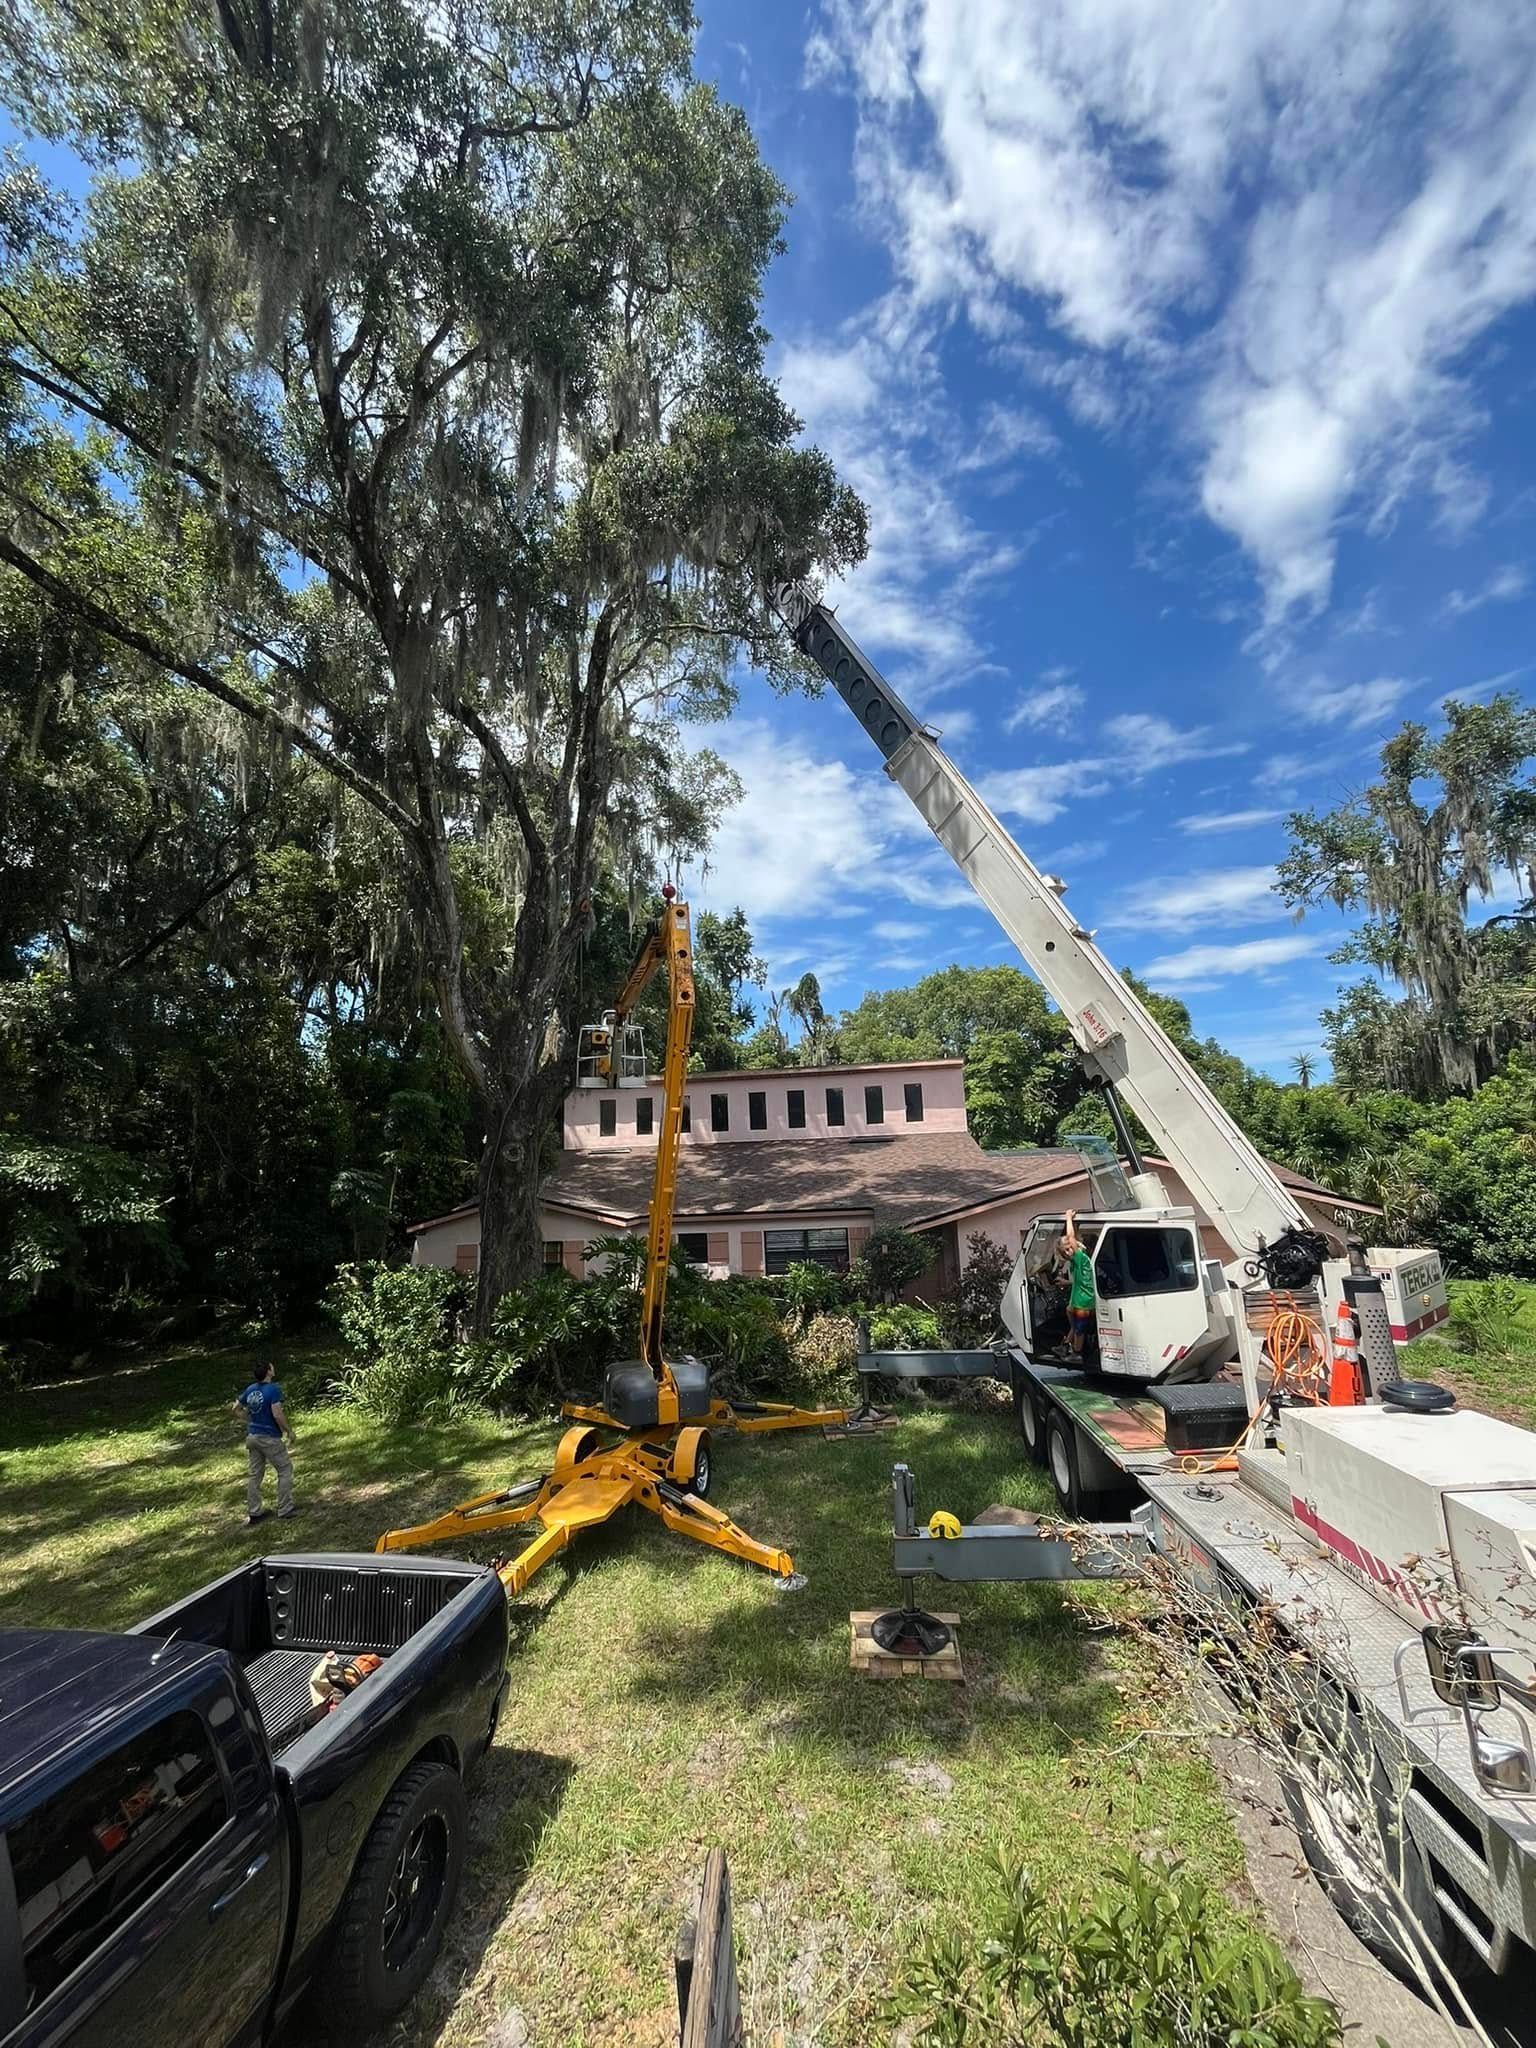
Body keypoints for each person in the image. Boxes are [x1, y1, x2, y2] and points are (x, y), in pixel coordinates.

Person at [233, 1360, 297, 1525]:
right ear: (269, 1372)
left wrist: (250, 1420)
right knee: (284, 1470)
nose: (273, 1368)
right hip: (269, 1437)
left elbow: (235, 1409)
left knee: (255, 1475)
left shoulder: (251, 1389)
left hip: (253, 1436)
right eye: (272, 1366)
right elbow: (277, 1414)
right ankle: (285, 1509)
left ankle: (255, 1512)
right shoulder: (273, 1390)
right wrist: (288, 1430)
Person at [1062, 1211, 1096, 1358]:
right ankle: (1064, 1345)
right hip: (1078, 1300)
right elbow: (1079, 1281)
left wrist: (1068, 1217)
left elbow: (1070, 1237)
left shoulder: (1081, 1259)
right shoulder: (1076, 1263)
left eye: (1070, 1248)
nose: (1069, 1251)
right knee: (1069, 1312)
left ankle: (1076, 1353)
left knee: (1079, 1330)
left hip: (1083, 1302)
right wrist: (1066, 1282)